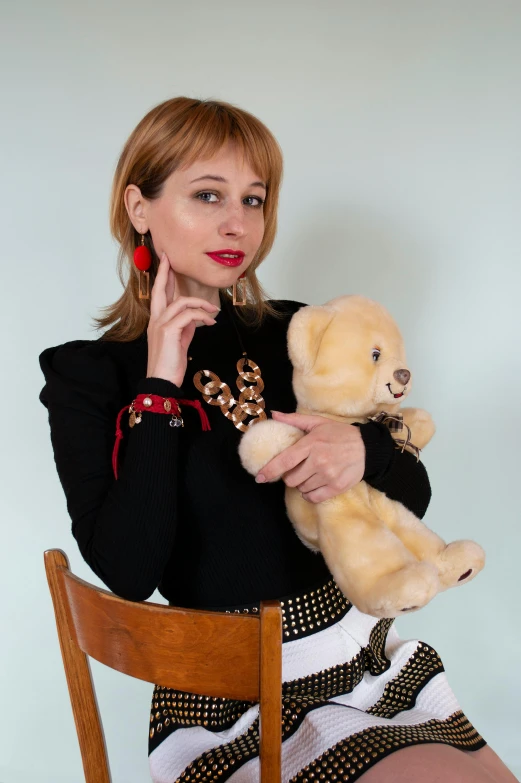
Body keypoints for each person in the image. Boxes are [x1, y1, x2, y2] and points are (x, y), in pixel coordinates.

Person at [38, 97, 517, 783]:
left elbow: (409, 492)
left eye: (254, 199)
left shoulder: (295, 330)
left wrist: (367, 451)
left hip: (355, 661)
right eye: (208, 195)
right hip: (226, 702)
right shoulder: (88, 376)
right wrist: (161, 379)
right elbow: (127, 569)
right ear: (139, 207)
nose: (238, 223)